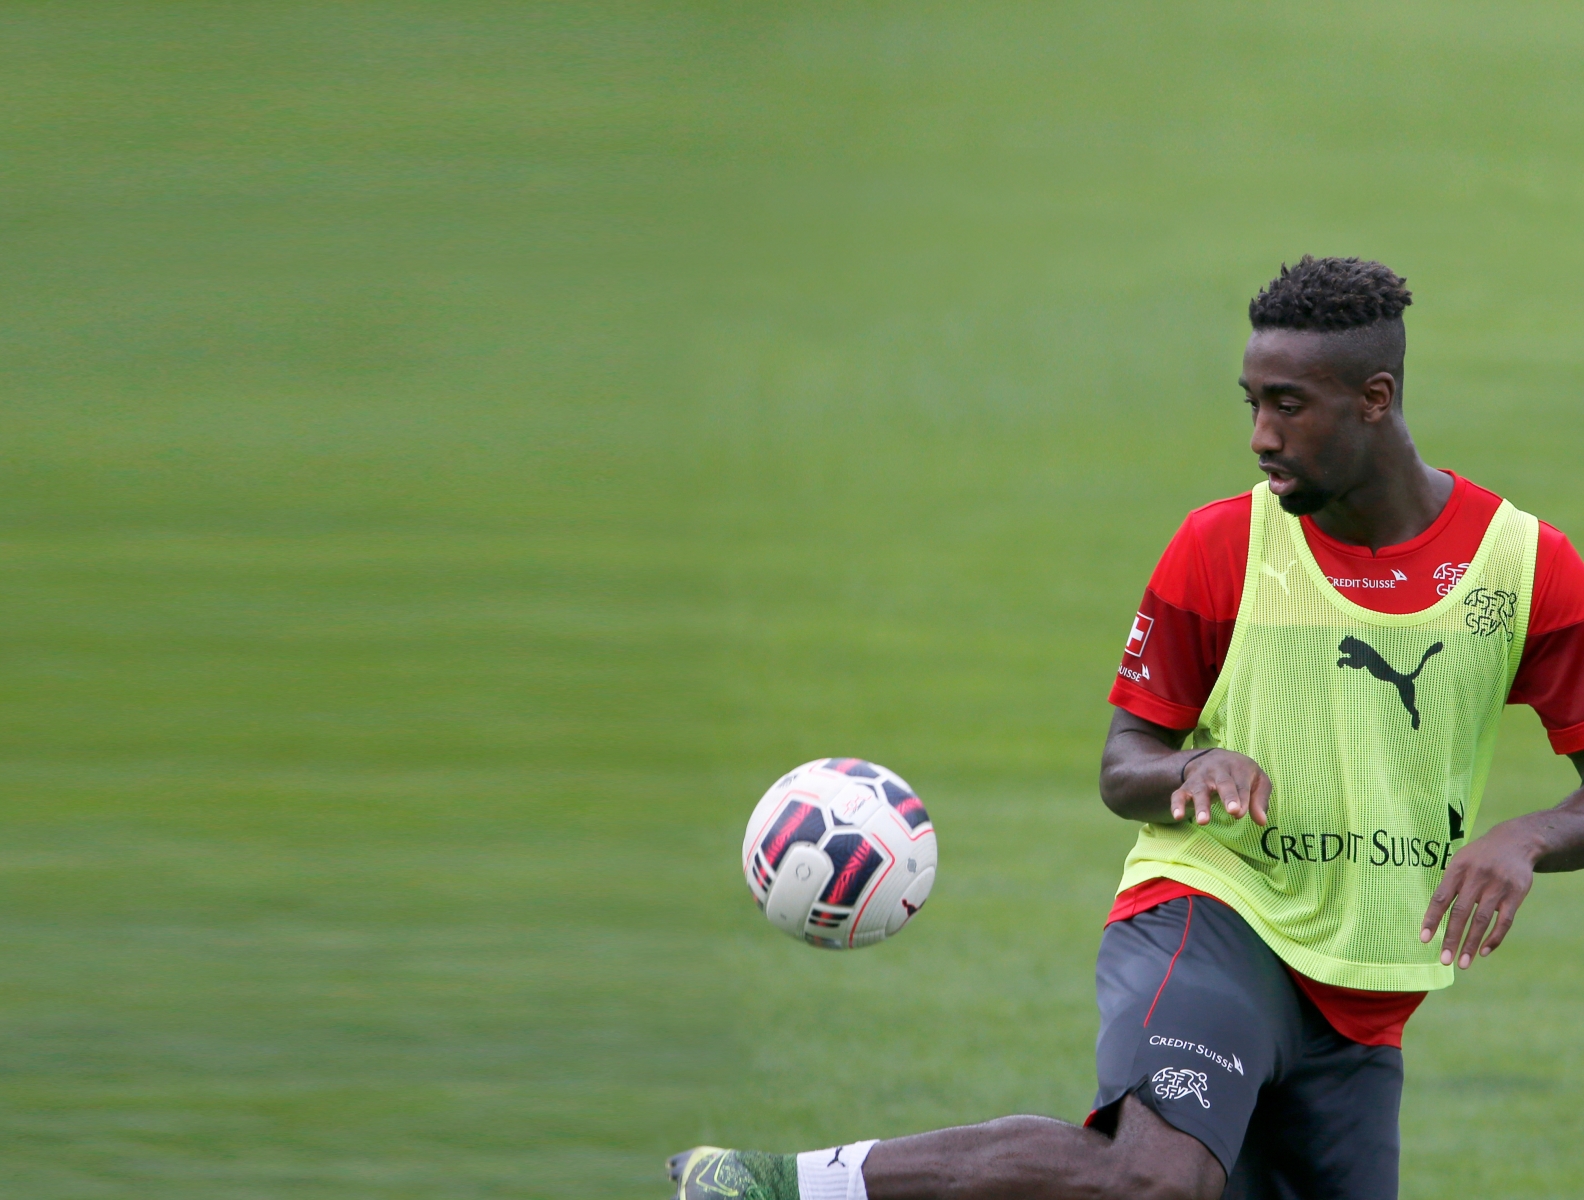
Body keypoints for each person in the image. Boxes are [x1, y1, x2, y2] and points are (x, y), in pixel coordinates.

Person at [667, 256, 1584, 1200]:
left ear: (1374, 398)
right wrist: (1193, 769)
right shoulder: (1225, 545)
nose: (1262, 437)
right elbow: (1124, 764)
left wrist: (1528, 836)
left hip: (1364, 994)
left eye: (1288, 405)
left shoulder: (1523, 569)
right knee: (1153, 1177)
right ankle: (776, 1186)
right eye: (1251, 404)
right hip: (1214, 912)